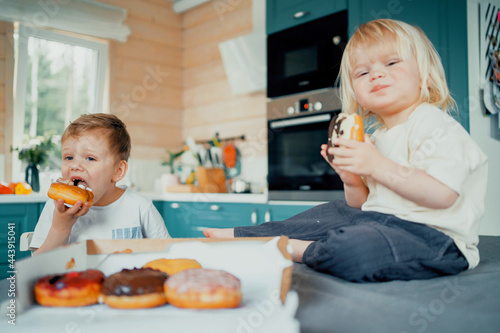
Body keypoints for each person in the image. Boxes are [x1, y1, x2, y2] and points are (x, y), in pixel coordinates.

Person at [204, 19, 488, 282]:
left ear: (424, 77)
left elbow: (443, 195)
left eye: (391, 63)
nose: (377, 74)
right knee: (330, 212)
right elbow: (360, 206)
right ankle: (245, 236)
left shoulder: (433, 122)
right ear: (356, 92)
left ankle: (300, 249)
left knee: (357, 248)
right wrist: (351, 179)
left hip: (435, 240)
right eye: (363, 72)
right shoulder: (375, 138)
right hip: (378, 222)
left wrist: (375, 166)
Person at [30, 113, 170, 254]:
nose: (75, 166)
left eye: (90, 158)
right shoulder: (58, 206)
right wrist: (60, 227)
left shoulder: (140, 208)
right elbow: (36, 269)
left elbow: (168, 253)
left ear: (118, 171)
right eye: (69, 157)